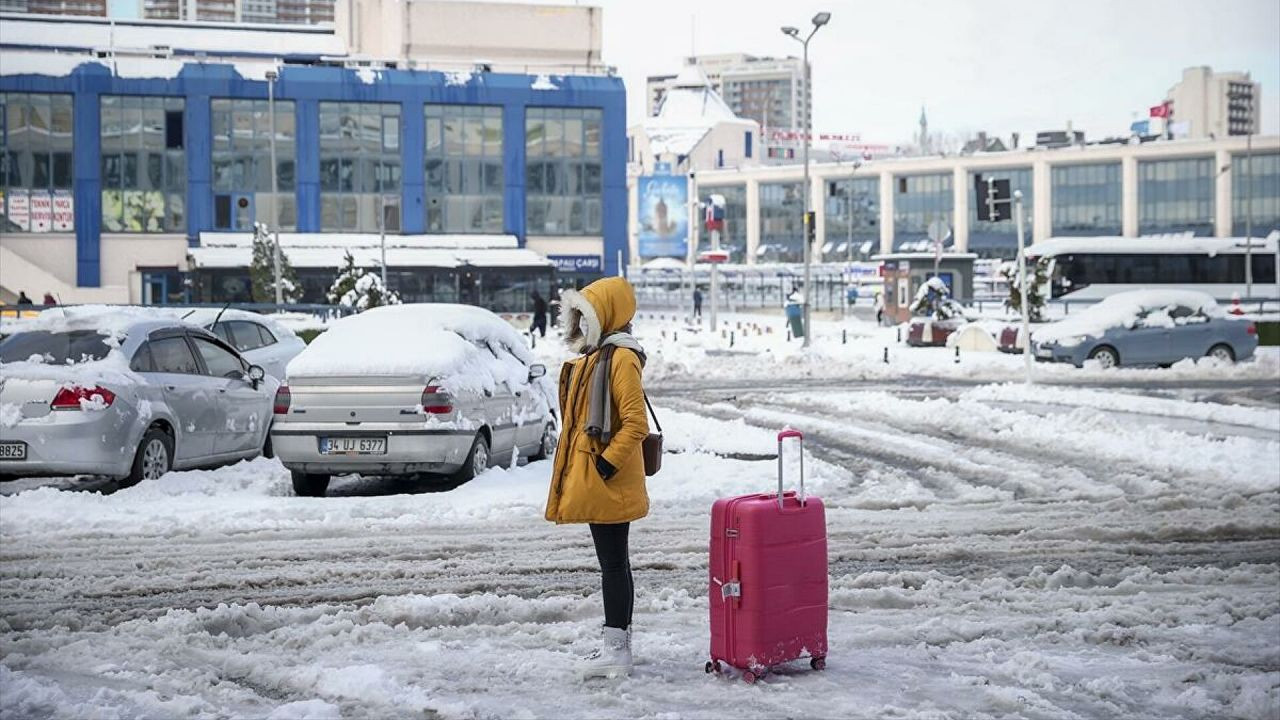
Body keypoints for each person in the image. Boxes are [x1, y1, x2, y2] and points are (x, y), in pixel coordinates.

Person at [546, 276, 650, 679]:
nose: (580, 326)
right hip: (602, 477)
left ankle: (617, 651)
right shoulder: (599, 357)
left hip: (608, 479)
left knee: (612, 564)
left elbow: (635, 423)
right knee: (614, 563)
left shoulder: (620, 359)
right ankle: (618, 645)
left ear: (605, 315)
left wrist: (605, 463)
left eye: (585, 317)